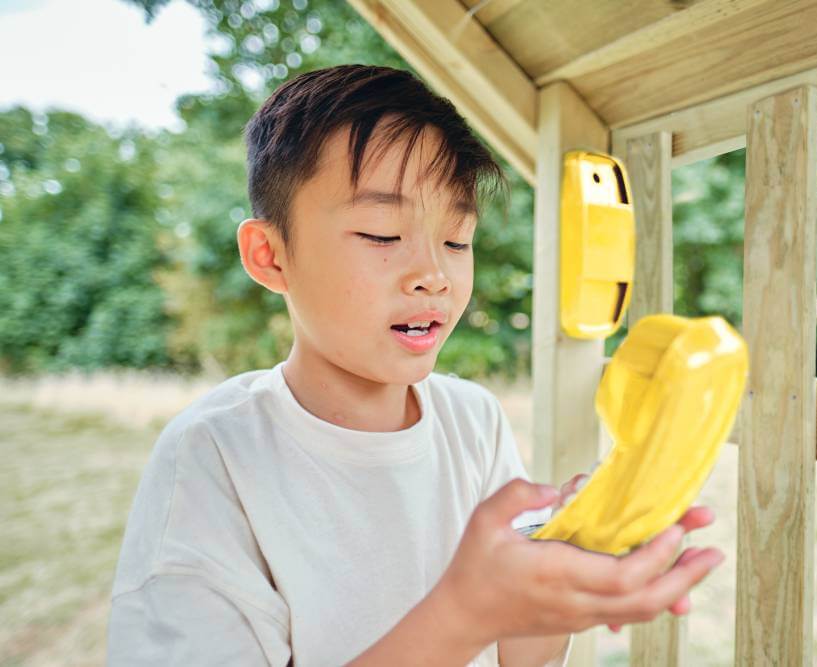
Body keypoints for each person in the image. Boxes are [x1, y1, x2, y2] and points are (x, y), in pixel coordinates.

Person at [105, 64, 724, 666]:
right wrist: (466, 612)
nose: (433, 275)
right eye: (380, 234)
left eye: (456, 240)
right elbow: (474, 618)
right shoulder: (213, 458)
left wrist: (572, 558)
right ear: (270, 255)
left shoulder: (473, 421)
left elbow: (519, 654)